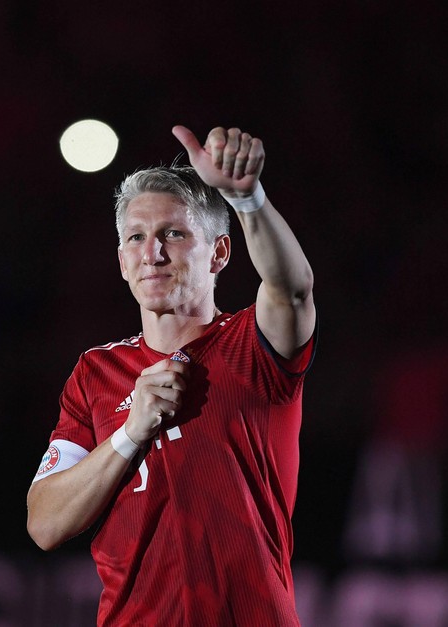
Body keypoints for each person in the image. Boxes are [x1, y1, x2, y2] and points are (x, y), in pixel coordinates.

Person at [26, 124, 317, 626]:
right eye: (136, 238)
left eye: (173, 234)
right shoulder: (96, 372)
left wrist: (248, 200)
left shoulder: (253, 345)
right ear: (121, 262)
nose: (151, 253)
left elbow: (292, 289)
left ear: (219, 253)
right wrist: (129, 433)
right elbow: (45, 523)